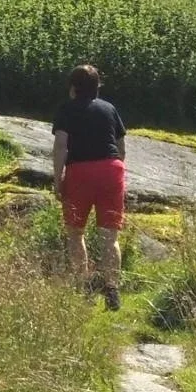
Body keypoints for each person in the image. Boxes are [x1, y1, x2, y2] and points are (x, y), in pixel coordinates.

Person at [52, 63, 128, 310]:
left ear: (73, 88)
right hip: (111, 169)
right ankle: (112, 290)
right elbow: (121, 148)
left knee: (76, 232)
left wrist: (58, 178)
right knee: (110, 236)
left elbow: (61, 145)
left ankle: (83, 288)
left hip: (80, 172)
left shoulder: (66, 109)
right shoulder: (110, 109)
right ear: (97, 88)